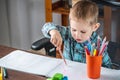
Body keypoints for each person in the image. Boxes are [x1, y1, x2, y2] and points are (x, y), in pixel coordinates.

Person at [42, 0, 112, 68]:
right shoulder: (67, 33)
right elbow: (46, 26)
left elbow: (108, 66)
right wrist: (54, 32)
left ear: (95, 27)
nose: (77, 35)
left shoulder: (98, 44)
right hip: (67, 72)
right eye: (74, 30)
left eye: (83, 32)